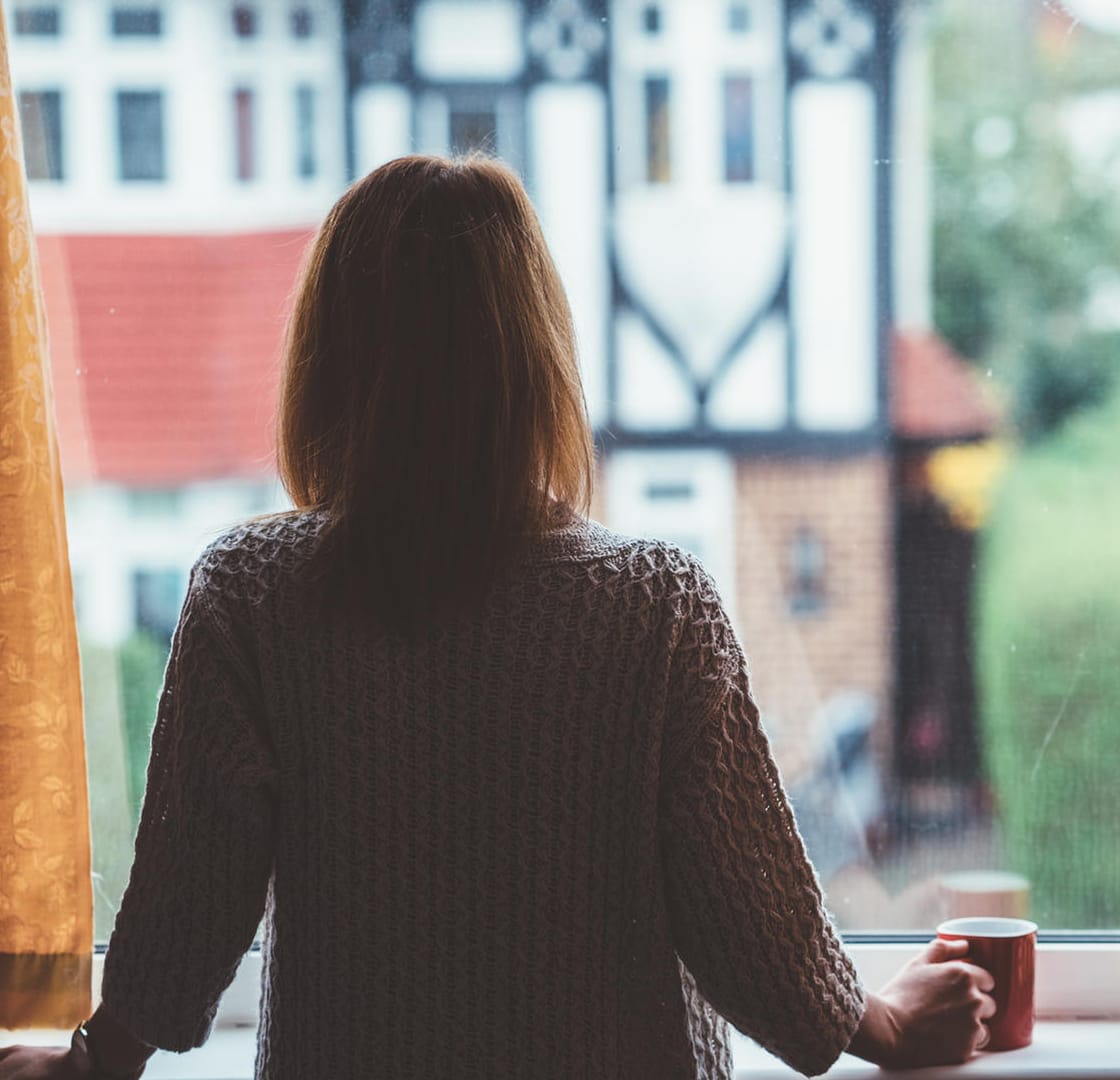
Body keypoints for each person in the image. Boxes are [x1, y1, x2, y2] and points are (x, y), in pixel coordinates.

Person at [0, 155, 995, 1079]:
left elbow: (185, 910)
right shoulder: (654, 607)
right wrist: (885, 1025)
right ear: (537, 358)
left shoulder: (253, 593)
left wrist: (89, 1064)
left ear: (326, 358)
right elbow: (761, 937)